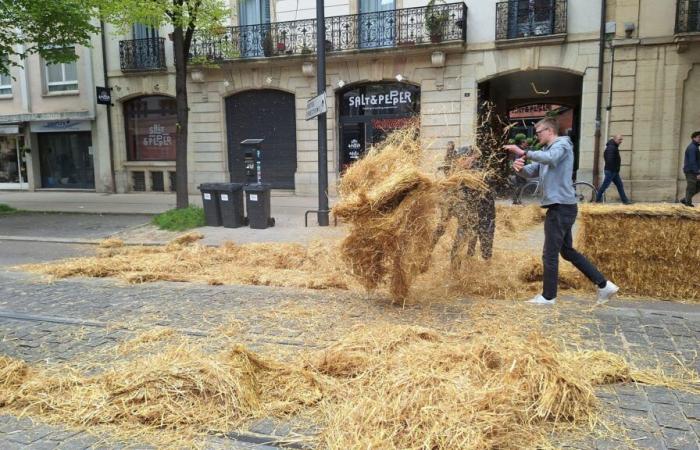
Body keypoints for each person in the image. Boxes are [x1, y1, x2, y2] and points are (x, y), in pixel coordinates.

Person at [504, 117, 618, 306]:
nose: (537, 135)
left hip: (561, 207)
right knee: (566, 251)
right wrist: (519, 168)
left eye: (539, 132)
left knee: (550, 253)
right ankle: (604, 285)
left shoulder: (562, 145)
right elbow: (532, 170)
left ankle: (548, 297)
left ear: (549, 131)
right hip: (561, 207)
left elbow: (551, 159)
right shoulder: (547, 150)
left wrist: (523, 151)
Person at [596, 135, 631, 204]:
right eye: (619, 139)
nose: (621, 141)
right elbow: (609, 160)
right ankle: (597, 200)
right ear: (614, 139)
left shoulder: (613, 146)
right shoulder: (611, 147)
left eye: (621, 140)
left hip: (614, 171)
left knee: (620, 185)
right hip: (611, 171)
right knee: (605, 186)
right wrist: (613, 168)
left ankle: (625, 201)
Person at [680, 131, 700, 207]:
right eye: (699, 137)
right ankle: (688, 204)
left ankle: (686, 199)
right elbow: (692, 162)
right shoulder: (692, 148)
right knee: (691, 187)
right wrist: (697, 173)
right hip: (691, 171)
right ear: (693, 138)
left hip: (694, 171)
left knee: (697, 186)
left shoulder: (695, 147)